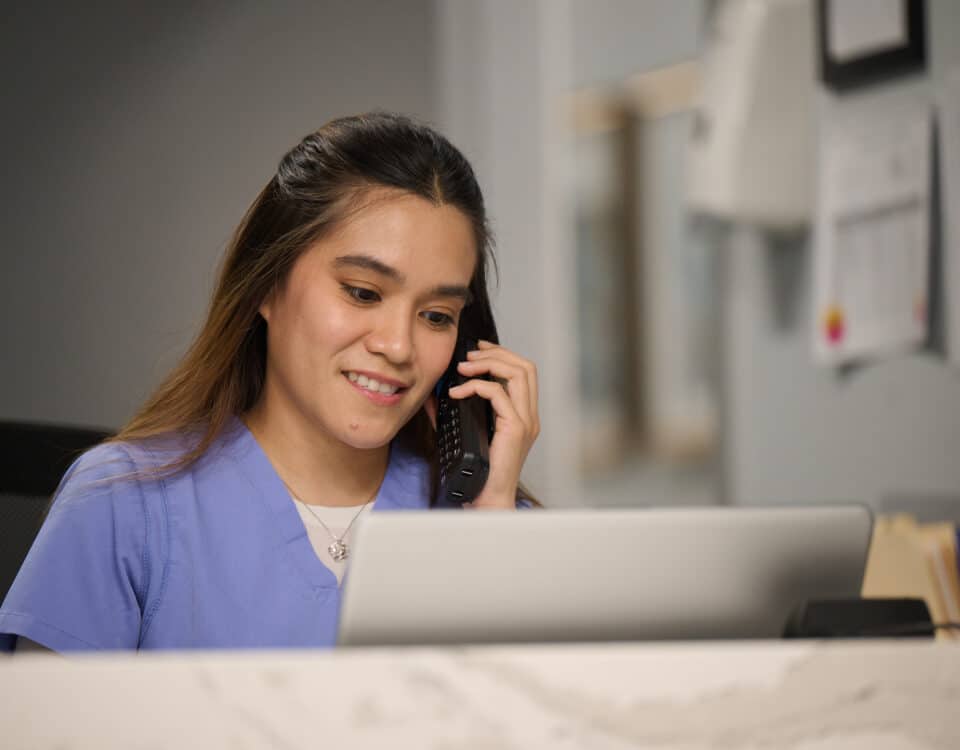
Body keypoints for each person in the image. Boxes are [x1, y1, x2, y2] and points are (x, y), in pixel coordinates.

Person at [0, 112, 540, 652]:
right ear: (267, 286)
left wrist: (491, 533)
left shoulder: (494, 521)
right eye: (362, 292)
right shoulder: (120, 504)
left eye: (437, 316)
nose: (398, 347)